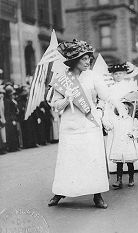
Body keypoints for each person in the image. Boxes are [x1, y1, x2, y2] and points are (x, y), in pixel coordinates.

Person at [48, 39, 123, 209]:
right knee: (69, 160)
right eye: (84, 59)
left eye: (89, 58)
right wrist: (67, 99)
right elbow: (55, 104)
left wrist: (118, 105)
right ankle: (60, 191)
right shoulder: (62, 79)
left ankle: (97, 195)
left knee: (93, 159)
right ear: (74, 60)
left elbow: (107, 95)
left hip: (90, 124)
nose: (88, 61)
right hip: (70, 125)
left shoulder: (93, 76)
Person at [106, 63, 138, 172]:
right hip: (115, 114)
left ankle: (134, 164)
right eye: (116, 74)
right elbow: (108, 102)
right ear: (112, 75)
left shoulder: (129, 85)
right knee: (116, 136)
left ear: (124, 74)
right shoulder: (110, 88)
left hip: (128, 113)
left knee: (130, 135)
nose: (118, 76)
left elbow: (136, 99)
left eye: (120, 73)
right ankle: (115, 164)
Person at [104, 101, 138, 188]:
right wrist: (105, 122)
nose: (124, 110)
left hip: (128, 144)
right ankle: (118, 180)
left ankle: (131, 178)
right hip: (119, 145)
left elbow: (137, 130)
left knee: (129, 163)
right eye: (122, 108)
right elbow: (109, 127)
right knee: (119, 163)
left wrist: (133, 134)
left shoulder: (132, 120)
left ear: (128, 110)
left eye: (126, 109)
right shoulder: (115, 120)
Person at [4, 85, 19, 152]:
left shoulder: (11, 100)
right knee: (11, 134)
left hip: (13, 118)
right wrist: (12, 119)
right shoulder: (8, 101)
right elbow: (9, 111)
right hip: (10, 119)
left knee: (14, 133)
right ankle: (12, 147)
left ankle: (15, 146)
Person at [0, 86, 6, 154]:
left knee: (3, 135)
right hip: (1, 119)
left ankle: (3, 148)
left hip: (2, 119)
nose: (1, 95)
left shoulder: (2, 101)